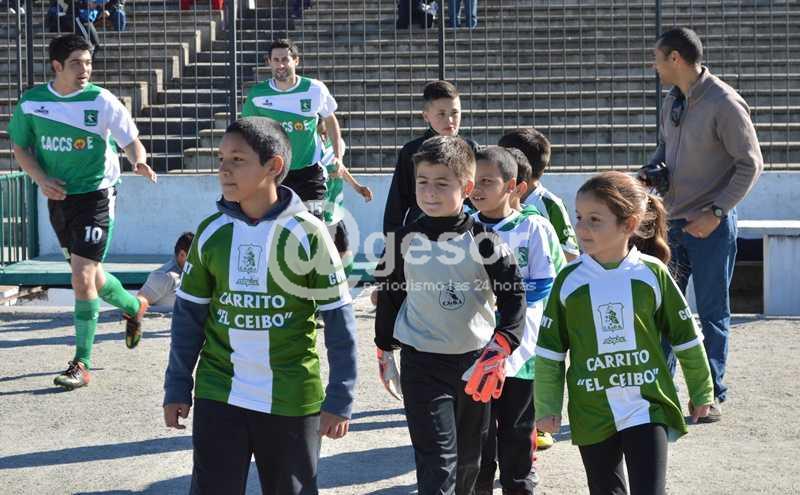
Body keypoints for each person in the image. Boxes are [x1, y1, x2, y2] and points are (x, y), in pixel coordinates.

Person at [163, 117, 357, 494]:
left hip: (291, 396)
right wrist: (177, 385)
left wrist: (340, 396)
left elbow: (340, 323)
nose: (224, 169)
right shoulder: (211, 232)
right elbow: (188, 318)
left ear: (273, 166)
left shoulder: (309, 234)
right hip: (219, 391)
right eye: (221, 159)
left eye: (237, 160)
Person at [534, 171, 713, 495]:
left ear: (628, 224)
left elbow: (686, 338)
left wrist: (702, 391)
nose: (581, 228)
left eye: (594, 220)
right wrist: (547, 406)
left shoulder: (652, 273)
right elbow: (550, 352)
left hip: (647, 405)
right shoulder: (568, 280)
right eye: (579, 217)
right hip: (591, 408)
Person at [374, 135, 526, 494]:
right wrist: (384, 349)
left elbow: (513, 295)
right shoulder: (401, 241)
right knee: (437, 461)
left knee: (470, 461)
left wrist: (503, 344)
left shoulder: (485, 241)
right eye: (423, 182)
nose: (430, 192)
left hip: (475, 365)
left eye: (442, 183)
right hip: (421, 364)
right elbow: (390, 296)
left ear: (467, 188)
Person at [8, 34, 157, 390]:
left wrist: (138, 160)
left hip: (97, 196)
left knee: (82, 276)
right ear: (57, 66)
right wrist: (41, 178)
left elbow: (131, 141)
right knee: (93, 278)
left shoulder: (101, 100)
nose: (85, 69)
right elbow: (20, 146)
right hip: (59, 198)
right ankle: (133, 306)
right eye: (76, 63)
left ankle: (81, 363)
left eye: (88, 63)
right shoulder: (32, 103)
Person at [648, 27, 763, 422]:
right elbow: (665, 150)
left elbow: (751, 164)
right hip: (672, 224)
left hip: (712, 228)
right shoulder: (672, 100)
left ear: (676, 59)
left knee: (713, 312)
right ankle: (661, 394)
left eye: (658, 59)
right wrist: (650, 172)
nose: (655, 66)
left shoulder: (725, 102)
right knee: (664, 311)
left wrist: (715, 213)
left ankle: (711, 395)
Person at [470, 146, 565, 495]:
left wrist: (504, 305)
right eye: (473, 181)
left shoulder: (534, 227)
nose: (477, 188)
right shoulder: (464, 227)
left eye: (487, 181)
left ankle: (520, 485)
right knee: (477, 436)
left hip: (520, 349)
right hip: (474, 348)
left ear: (513, 187)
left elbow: (545, 285)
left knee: (517, 430)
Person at [242, 38, 344, 220]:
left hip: (309, 173)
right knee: (277, 228)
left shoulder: (315, 89)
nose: (281, 65)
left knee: (313, 227)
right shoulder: (257, 95)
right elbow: (247, 132)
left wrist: (338, 157)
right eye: (276, 60)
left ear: (296, 60)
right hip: (274, 173)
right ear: (269, 62)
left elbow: (330, 119)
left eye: (285, 59)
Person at [383, 80, 478, 235]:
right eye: (441, 114)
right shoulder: (411, 151)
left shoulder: (471, 149)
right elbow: (397, 202)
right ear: (426, 116)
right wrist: (392, 240)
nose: (450, 120)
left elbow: (479, 195)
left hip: (461, 230)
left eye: (455, 113)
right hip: (420, 233)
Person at [499, 128, 580, 262]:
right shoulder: (493, 199)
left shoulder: (550, 204)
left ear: (519, 163)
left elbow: (570, 254)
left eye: (501, 158)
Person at [318, 120, 372, 281]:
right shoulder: (309, 148)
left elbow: (341, 169)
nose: (323, 135)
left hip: (334, 210)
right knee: (320, 254)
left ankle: (341, 284)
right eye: (319, 132)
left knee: (345, 256)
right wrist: (326, 174)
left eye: (325, 131)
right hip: (317, 210)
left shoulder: (336, 145)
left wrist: (358, 187)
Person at [133, 231, 194, 317]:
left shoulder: (192, 271)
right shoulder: (164, 276)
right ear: (182, 254)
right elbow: (139, 303)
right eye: (195, 257)